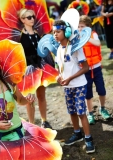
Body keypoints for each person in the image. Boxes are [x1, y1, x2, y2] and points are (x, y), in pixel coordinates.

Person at [53, 19, 95, 153]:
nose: (55, 34)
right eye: (53, 32)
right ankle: (77, 133)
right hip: (67, 87)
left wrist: (70, 78)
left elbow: (86, 68)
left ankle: (88, 138)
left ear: (66, 32)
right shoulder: (58, 49)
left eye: (58, 31)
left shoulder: (76, 48)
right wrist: (58, 77)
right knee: (72, 111)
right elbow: (59, 68)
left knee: (81, 112)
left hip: (79, 85)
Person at [17, 8, 54, 128]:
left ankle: (44, 121)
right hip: (27, 70)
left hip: (40, 67)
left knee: (41, 96)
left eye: (33, 17)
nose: (32, 19)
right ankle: (32, 124)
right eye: (29, 17)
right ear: (23, 20)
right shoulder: (19, 36)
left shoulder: (38, 33)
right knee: (30, 99)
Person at [79, 15, 111, 124]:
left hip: (96, 68)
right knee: (88, 93)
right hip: (85, 70)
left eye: (82, 27)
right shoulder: (77, 38)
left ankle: (102, 108)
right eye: (78, 27)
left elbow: (97, 43)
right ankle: (90, 113)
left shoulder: (94, 35)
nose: (80, 29)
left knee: (101, 90)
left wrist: (87, 37)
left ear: (88, 27)